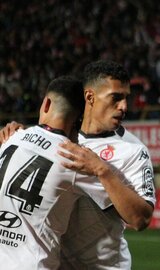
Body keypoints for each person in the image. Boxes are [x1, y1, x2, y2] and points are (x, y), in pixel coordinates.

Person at [0, 60, 156, 269]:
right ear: (90, 97)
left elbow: (140, 219)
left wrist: (104, 172)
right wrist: (14, 135)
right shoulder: (62, 140)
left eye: (127, 98)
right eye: (116, 98)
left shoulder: (133, 150)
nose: (124, 106)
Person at [0, 76, 97, 269]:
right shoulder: (77, 160)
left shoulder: (12, 138)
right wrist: (103, 170)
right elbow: (136, 216)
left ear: (46, 103)